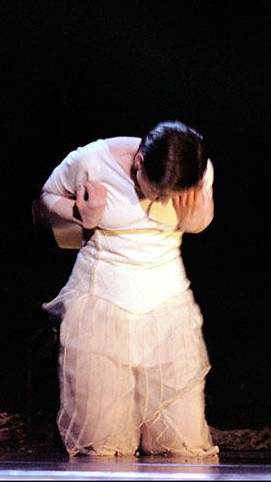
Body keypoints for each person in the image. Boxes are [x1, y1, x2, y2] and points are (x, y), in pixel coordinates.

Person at [38, 120, 218, 457]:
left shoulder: (196, 166)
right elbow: (47, 198)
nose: (163, 200)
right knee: (106, 444)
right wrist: (81, 214)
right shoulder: (93, 159)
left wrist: (194, 218)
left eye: (170, 196)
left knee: (179, 446)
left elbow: (198, 222)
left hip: (166, 304)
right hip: (102, 300)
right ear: (137, 163)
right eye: (157, 192)